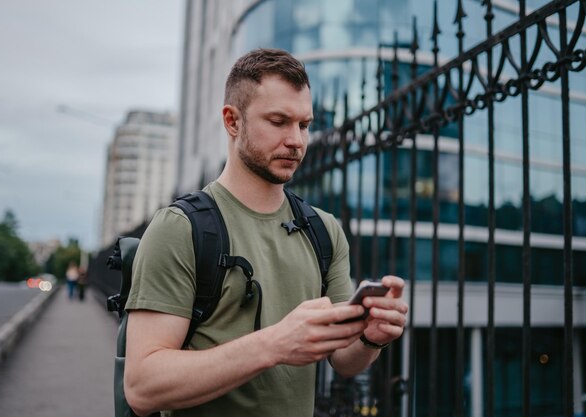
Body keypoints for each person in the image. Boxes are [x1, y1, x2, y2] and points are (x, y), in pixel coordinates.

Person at [124, 48, 408, 417]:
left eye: (305, 125)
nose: (297, 140)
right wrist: (275, 344)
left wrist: (371, 337)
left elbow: (344, 360)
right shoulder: (180, 227)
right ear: (232, 121)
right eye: (278, 121)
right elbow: (142, 387)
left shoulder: (324, 230)